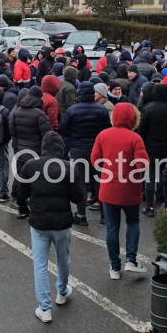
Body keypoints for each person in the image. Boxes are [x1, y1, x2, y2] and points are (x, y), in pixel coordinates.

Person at [17, 132, 84, 323]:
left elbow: (20, 193)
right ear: (61, 148)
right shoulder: (69, 168)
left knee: (40, 264)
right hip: (62, 222)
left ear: (43, 147)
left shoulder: (30, 166)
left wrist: (26, 206)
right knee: (63, 259)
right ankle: (62, 292)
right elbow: (78, 197)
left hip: (39, 222)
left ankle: (44, 308)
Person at [91, 103, 150, 279]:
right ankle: (131, 260)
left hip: (108, 188)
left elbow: (94, 159)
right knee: (133, 221)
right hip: (130, 188)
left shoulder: (103, 135)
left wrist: (107, 170)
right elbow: (142, 164)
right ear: (134, 118)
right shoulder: (135, 138)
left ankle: (115, 267)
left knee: (112, 227)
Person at [59, 81, 111, 226]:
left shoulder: (72, 110)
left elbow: (63, 130)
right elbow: (107, 129)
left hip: (77, 149)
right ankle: (104, 215)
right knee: (99, 180)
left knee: (80, 182)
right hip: (97, 149)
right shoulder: (101, 110)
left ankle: (81, 214)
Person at [136, 83, 167, 217]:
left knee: (150, 177)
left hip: (151, 148)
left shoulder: (148, 109)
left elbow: (142, 131)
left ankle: (150, 206)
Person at [9, 86, 53, 215]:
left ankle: (19, 204)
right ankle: (35, 206)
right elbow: (48, 135)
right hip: (35, 152)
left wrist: (17, 148)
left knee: (21, 178)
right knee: (37, 181)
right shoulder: (39, 114)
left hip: (21, 152)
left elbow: (14, 133)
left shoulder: (17, 112)